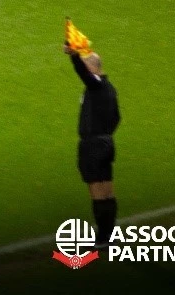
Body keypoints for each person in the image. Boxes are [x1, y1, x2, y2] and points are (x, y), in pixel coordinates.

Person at [65, 43, 120, 257]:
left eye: (87, 66)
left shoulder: (95, 85)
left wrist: (74, 56)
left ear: (93, 68)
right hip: (106, 142)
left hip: (92, 145)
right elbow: (117, 117)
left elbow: (83, 73)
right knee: (107, 190)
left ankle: (103, 238)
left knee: (97, 192)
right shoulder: (110, 88)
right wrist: (106, 133)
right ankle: (110, 234)